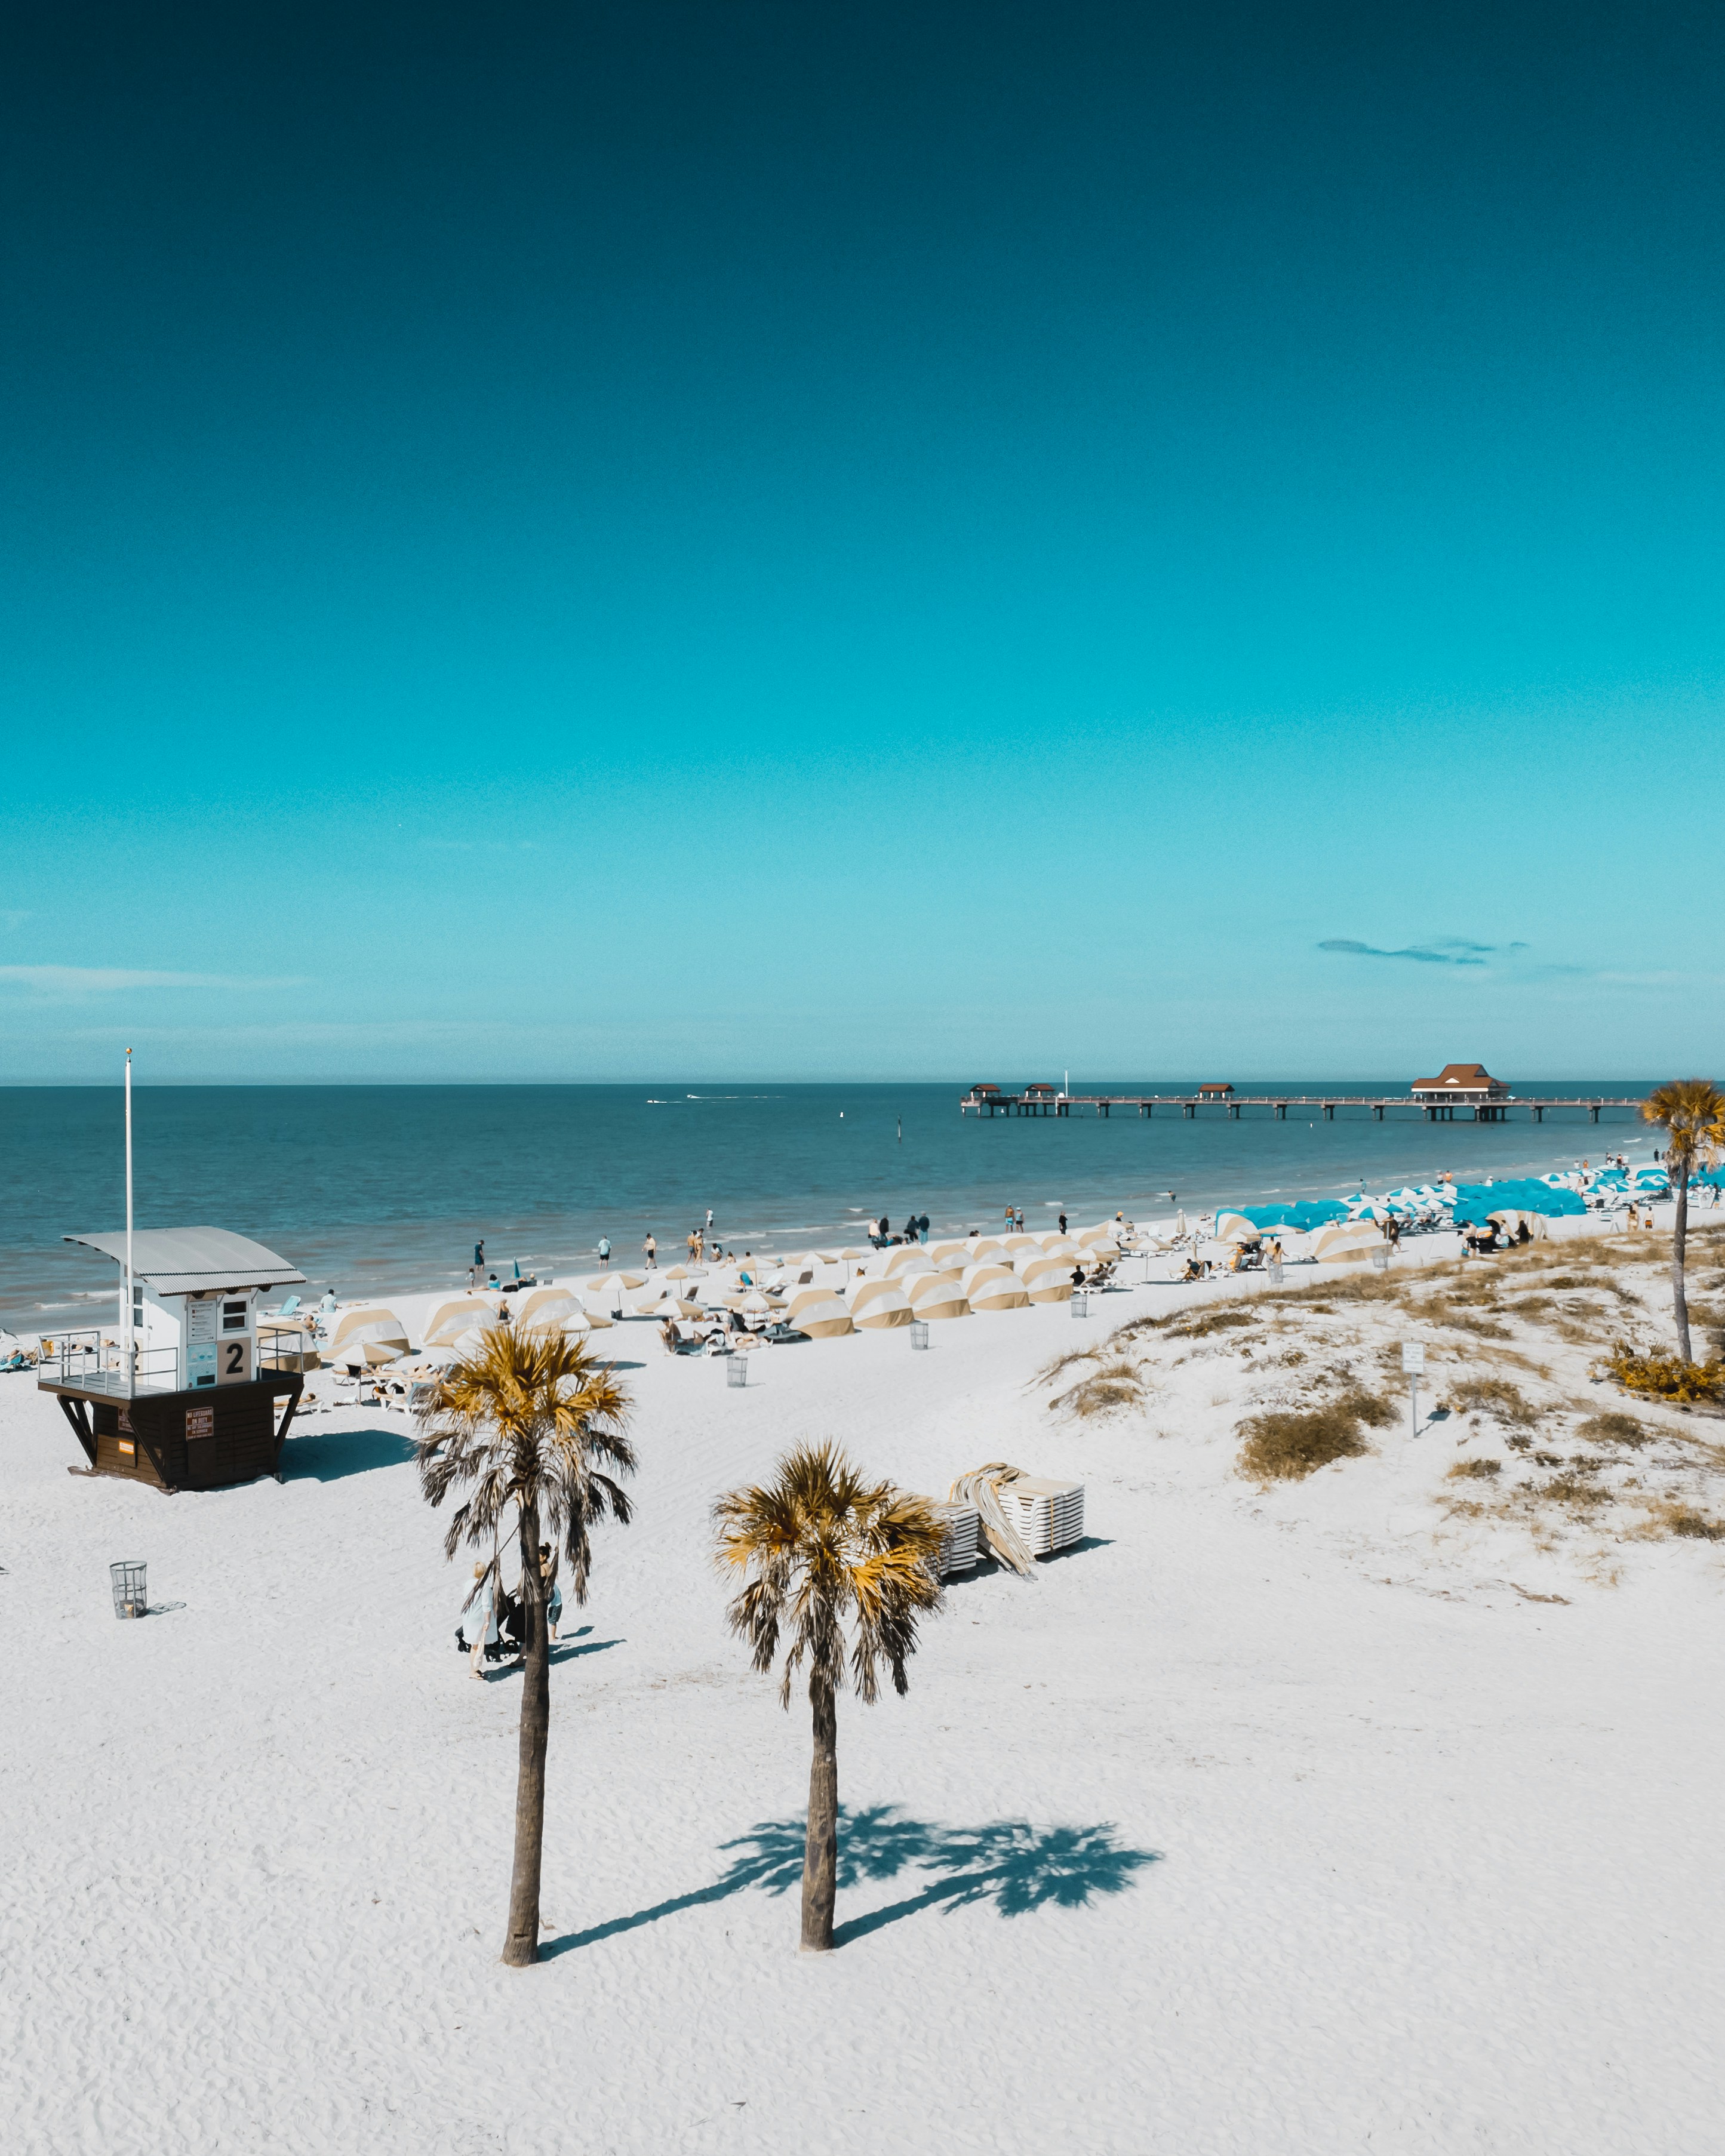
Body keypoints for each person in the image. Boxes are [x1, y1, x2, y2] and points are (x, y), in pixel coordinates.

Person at [460, 1562, 496, 1681]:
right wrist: (487, 1621)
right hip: (478, 1618)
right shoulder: (484, 1586)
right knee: (476, 1646)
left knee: (474, 1645)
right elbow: (487, 1605)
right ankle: (472, 1671)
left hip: (469, 1617)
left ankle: (474, 1669)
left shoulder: (468, 1583)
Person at [539, 1545, 562, 1644]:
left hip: (554, 1598)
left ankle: (552, 1637)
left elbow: (542, 1579)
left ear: (544, 1557)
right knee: (551, 1618)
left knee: (552, 1620)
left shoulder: (543, 1567)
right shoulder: (546, 1565)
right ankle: (552, 1636)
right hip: (554, 1594)